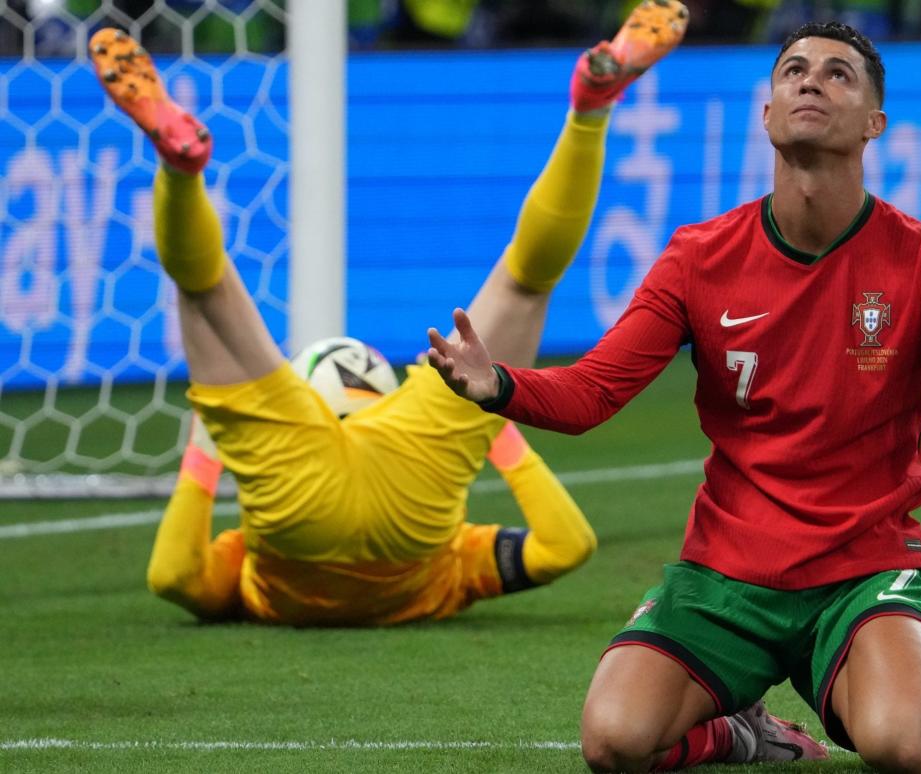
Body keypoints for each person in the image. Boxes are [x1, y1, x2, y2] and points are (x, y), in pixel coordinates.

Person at [428, 20, 921, 773]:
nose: (810, 80)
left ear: (874, 125)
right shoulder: (699, 259)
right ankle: (741, 733)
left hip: (861, 574)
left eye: (838, 74)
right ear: (766, 114)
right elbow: (594, 392)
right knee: (613, 741)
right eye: (793, 70)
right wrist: (499, 383)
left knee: (904, 748)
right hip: (725, 576)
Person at [87, 0, 689, 627]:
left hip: (303, 500)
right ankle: (589, 114)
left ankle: (179, 171)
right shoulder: (457, 562)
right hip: (408, 482)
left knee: (205, 291)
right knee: (525, 280)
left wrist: (208, 455)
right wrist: (489, 417)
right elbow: (568, 544)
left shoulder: (248, 561)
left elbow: (170, 574)